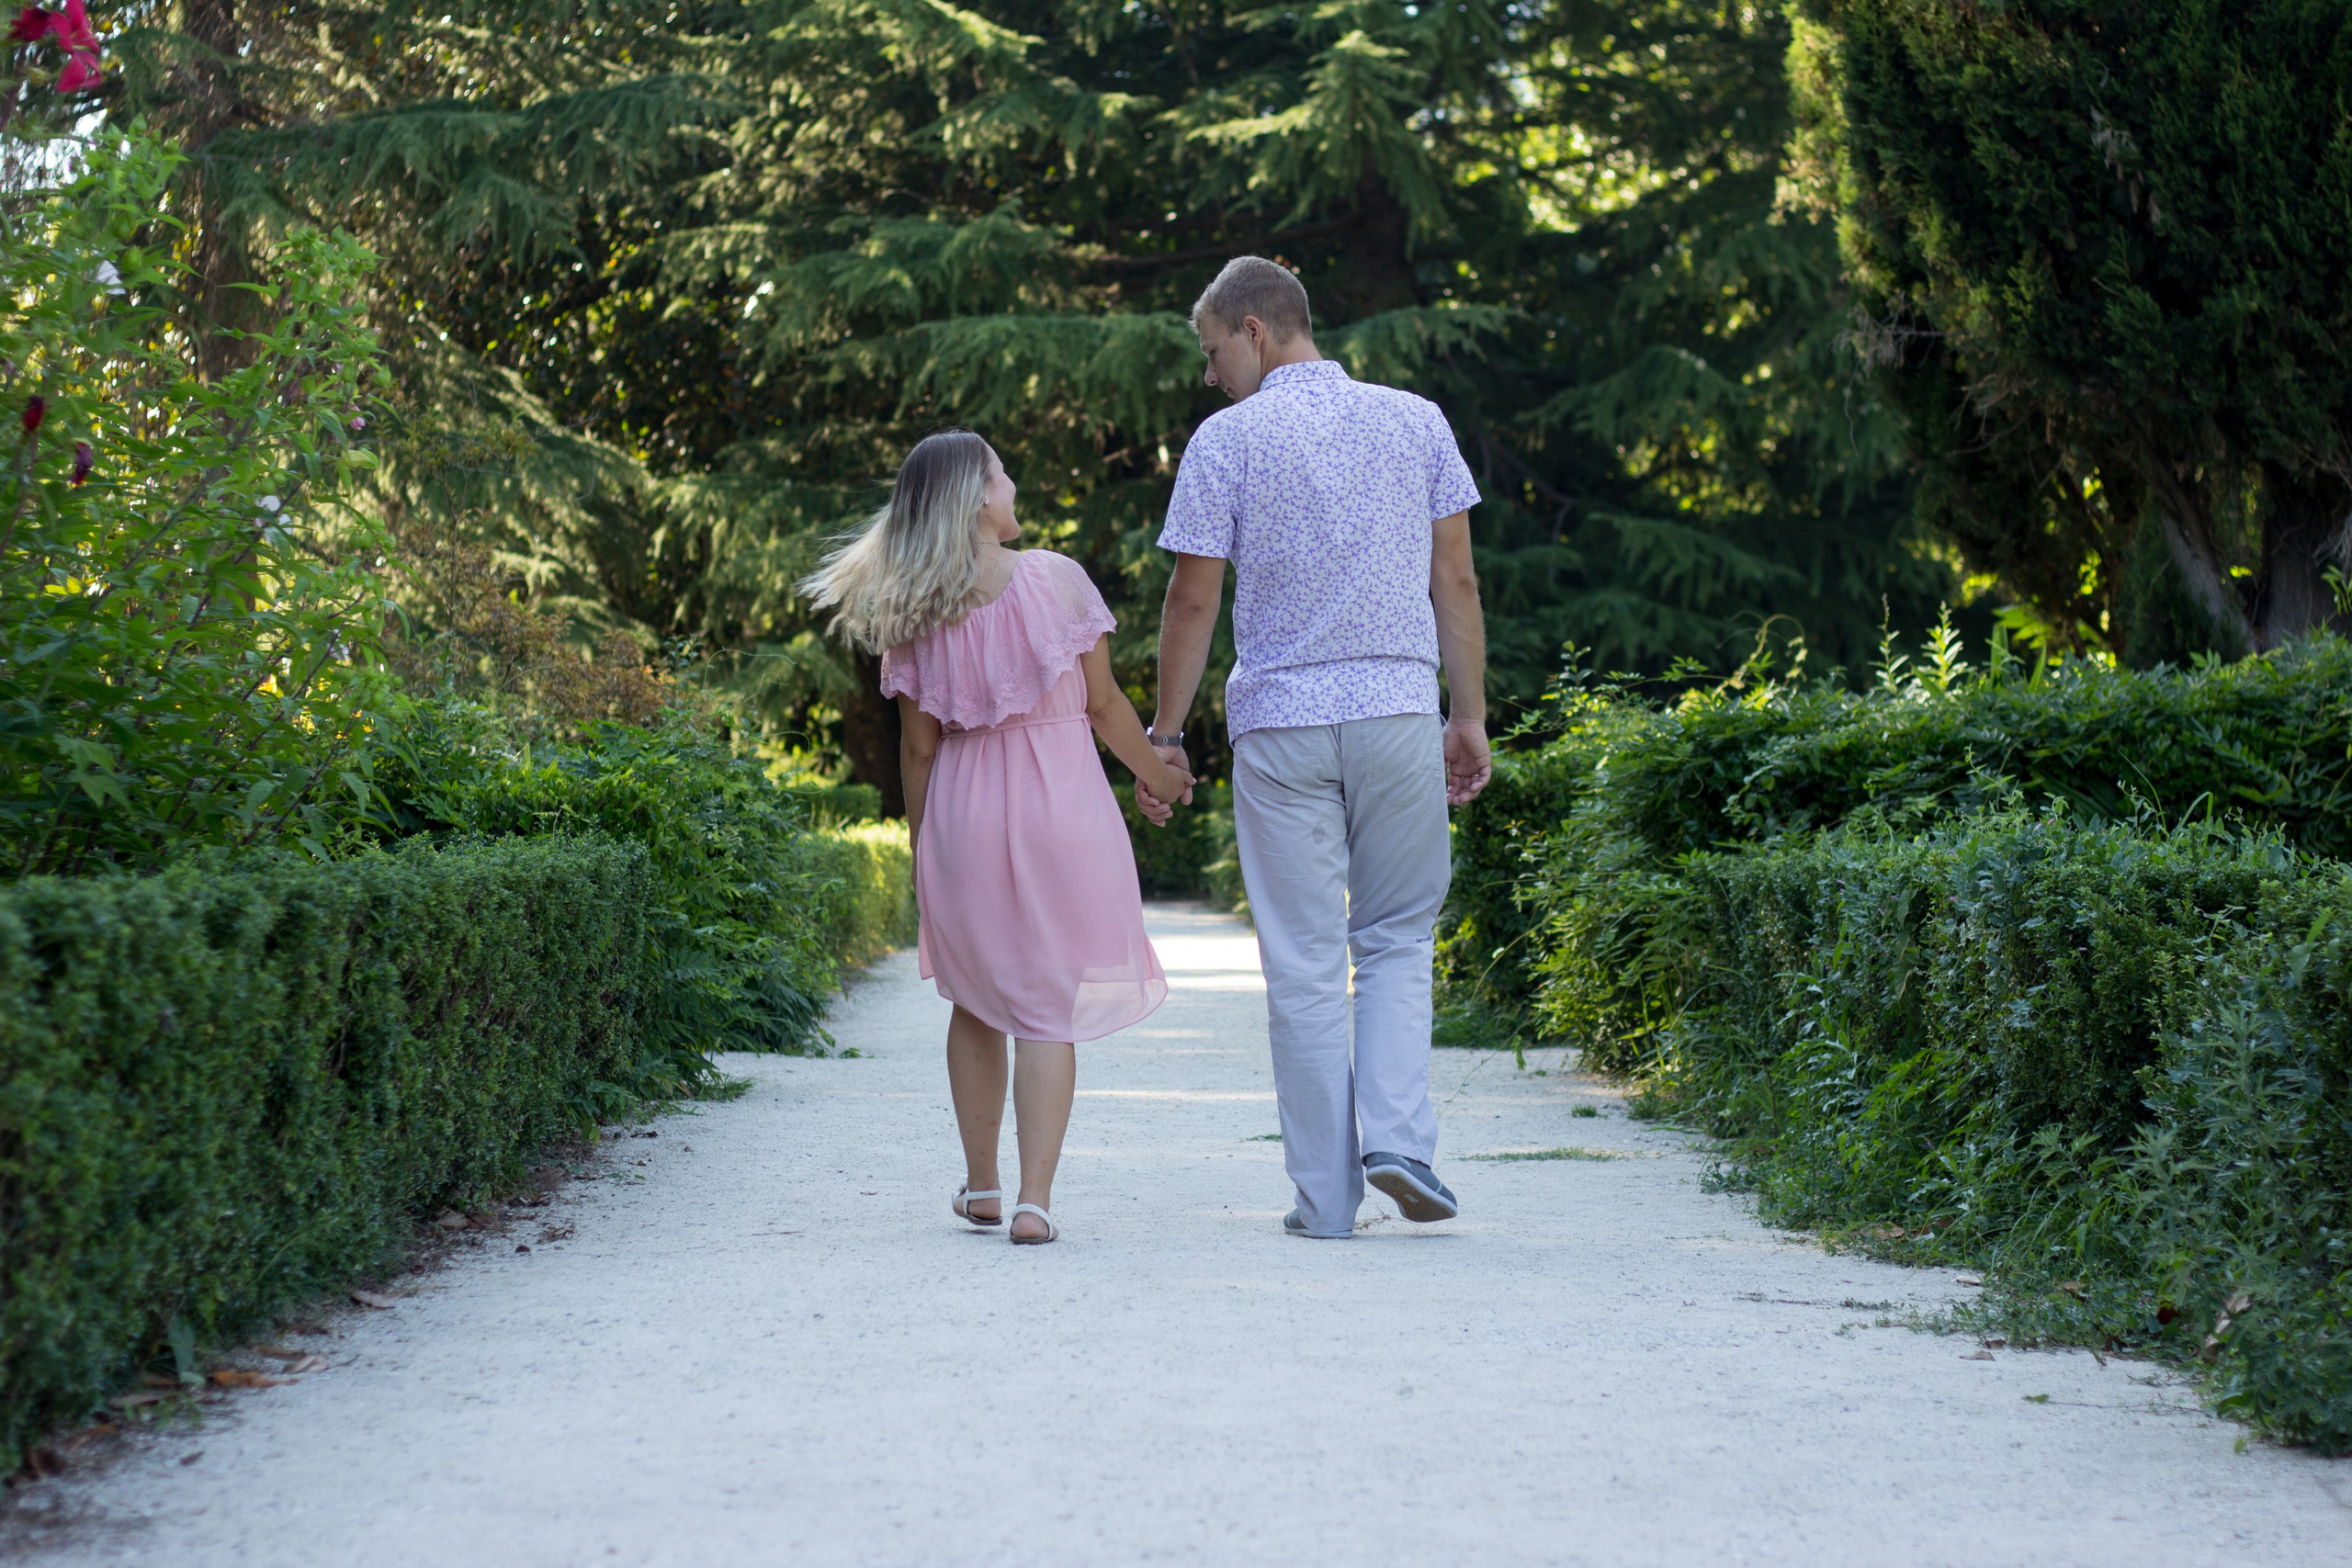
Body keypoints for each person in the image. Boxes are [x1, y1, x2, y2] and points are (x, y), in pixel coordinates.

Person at [1139, 256, 1492, 1239]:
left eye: (1213, 352)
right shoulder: (1416, 419)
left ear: (1255, 330)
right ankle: (1401, 1145)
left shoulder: (1225, 441)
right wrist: (1465, 716)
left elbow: (1194, 598)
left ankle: (1326, 1202)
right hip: (1392, 713)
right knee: (1394, 939)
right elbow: (1455, 583)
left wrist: (1164, 734)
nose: (1209, 375)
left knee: (1300, 963)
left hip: (1282, 729)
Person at [802, 429, 1194, 1246]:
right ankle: (1033, 1202)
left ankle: (980, 1185)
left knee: (976, 1000)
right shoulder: (1055, 579)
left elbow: (918, 749)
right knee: (1049, 1007)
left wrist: (925, 846)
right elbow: (1105, 707)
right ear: (979, 497)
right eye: (1003, 473)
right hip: (1061, 806)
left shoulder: (914, 608)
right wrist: (1158, 776)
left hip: (964, 809)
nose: (1013, 484)